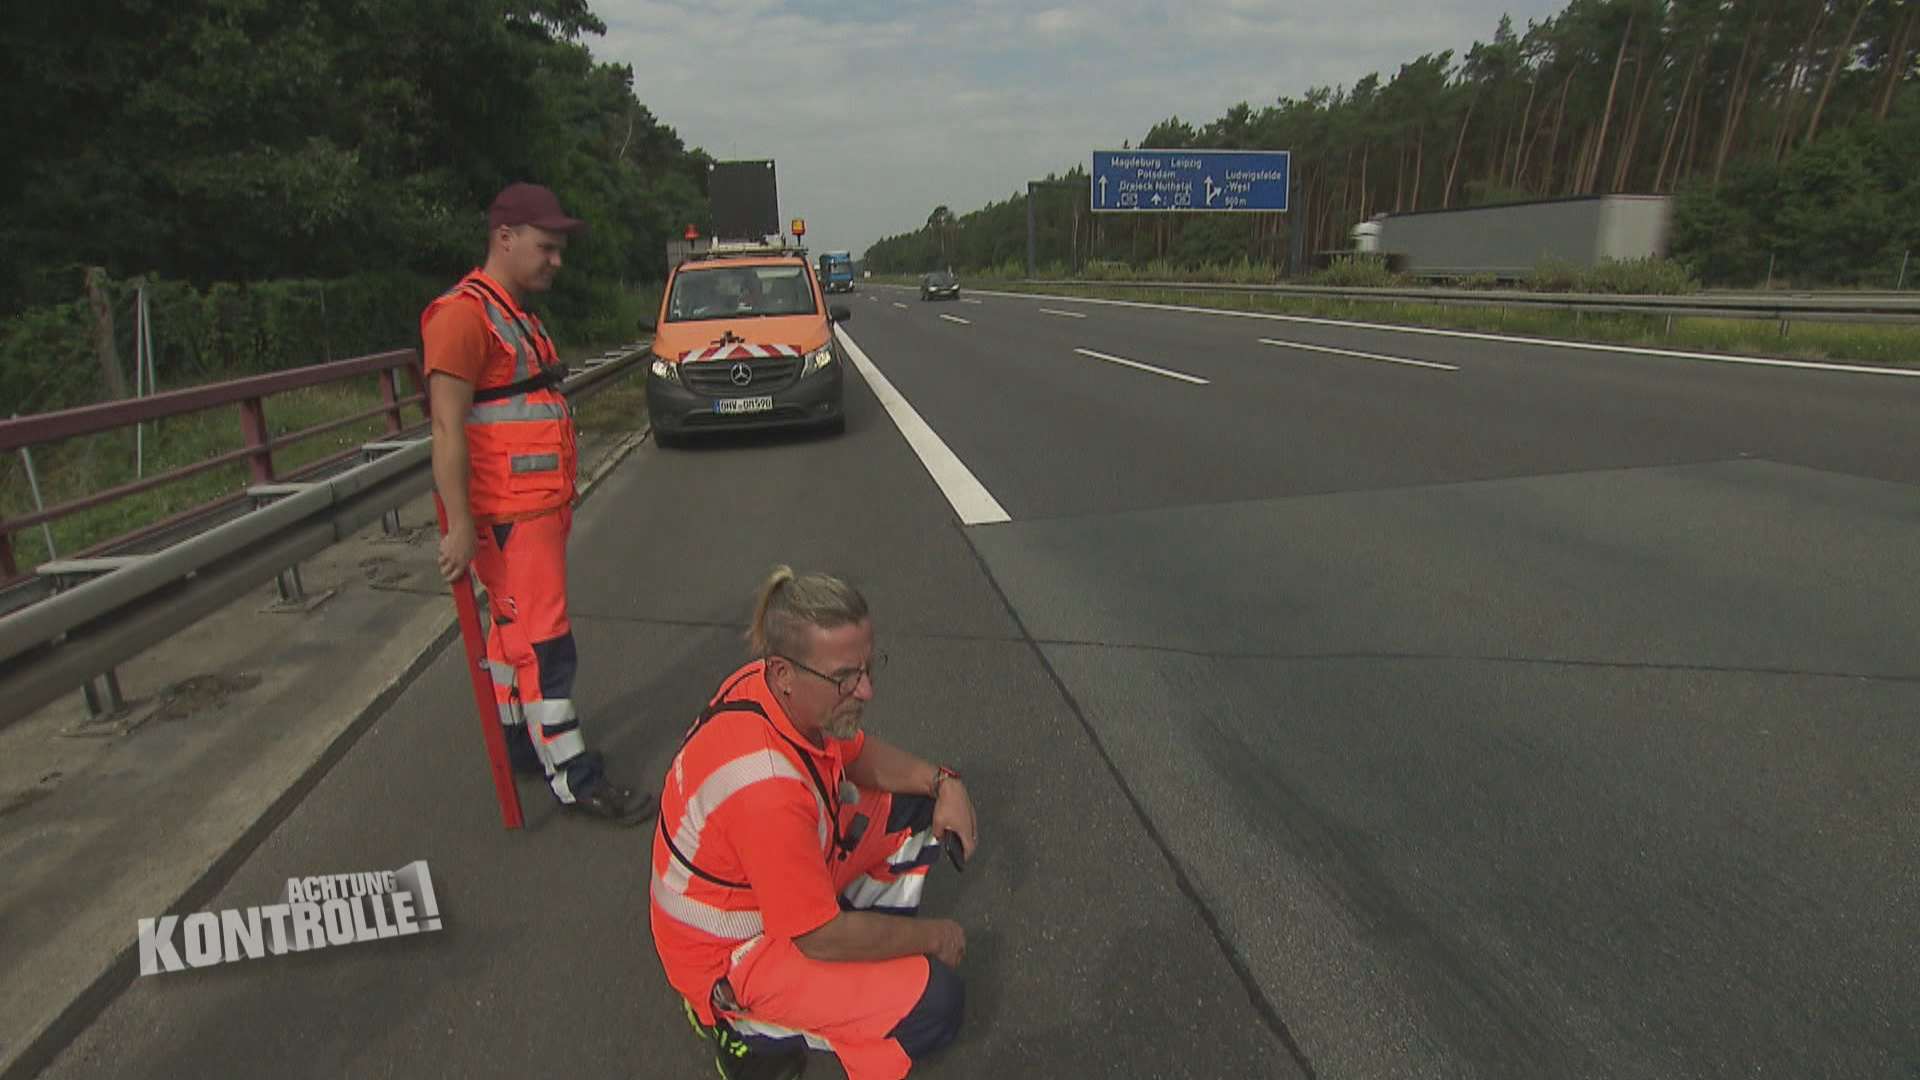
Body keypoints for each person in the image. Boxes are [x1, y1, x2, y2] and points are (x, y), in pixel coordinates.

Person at [649, 567, 975, 1080]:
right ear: (784, 673)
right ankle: (737, 1026)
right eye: (846, 676)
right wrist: (935, 937)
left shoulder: (769, 689)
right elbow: (816, 937)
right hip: (734, 953)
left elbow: (856, 753)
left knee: (912, 806)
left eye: (869, 668)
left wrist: (941, 782)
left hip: (771, 894)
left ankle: (857, 955)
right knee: (938, 1003)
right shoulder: (767, 792)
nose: (865, 690)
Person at [421, 182, 656, 826]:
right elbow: (445, 429)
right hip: (508, 517)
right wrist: (462, 526)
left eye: (560, 249)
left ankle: (521, 744)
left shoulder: (513, 312)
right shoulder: (462, 315)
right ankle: (576, 778)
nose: (558, 260)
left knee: (510, 637)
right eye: (546, 247)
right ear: (505, 238)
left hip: (537, 507)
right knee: (544, 646)